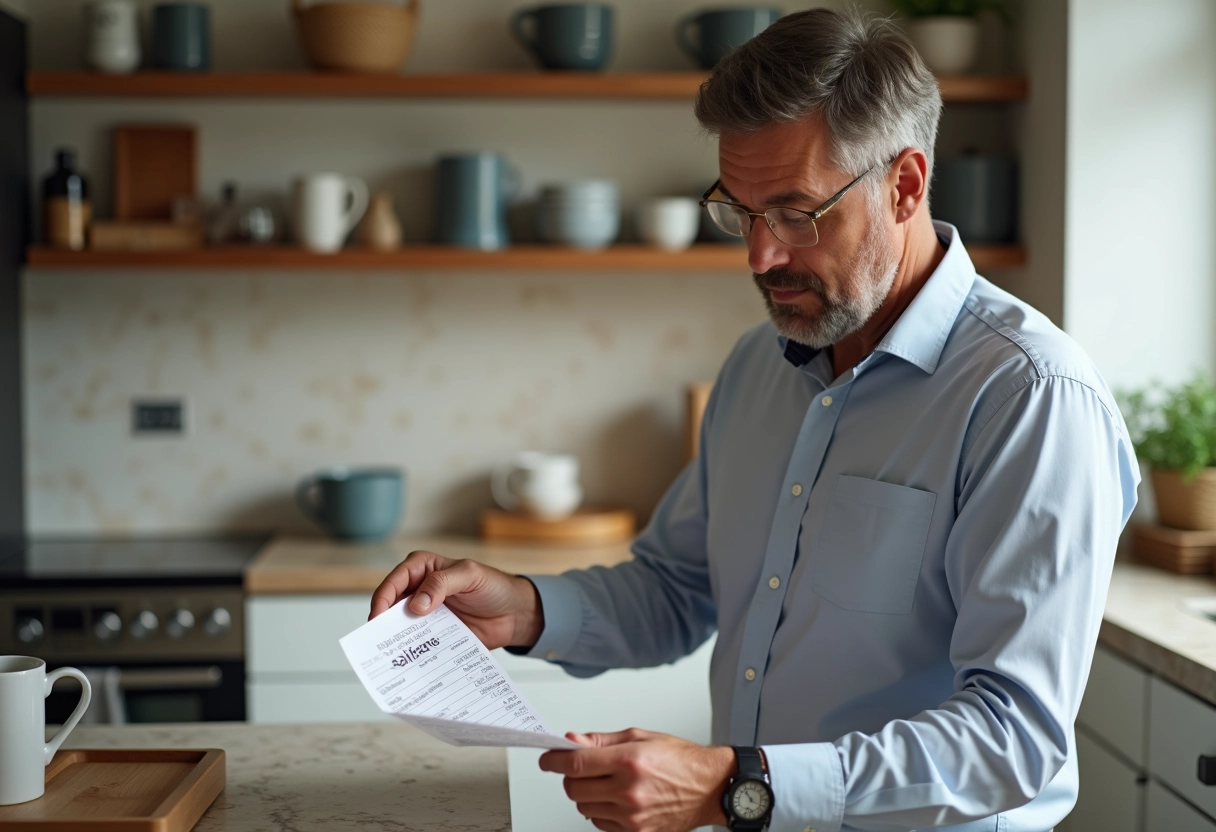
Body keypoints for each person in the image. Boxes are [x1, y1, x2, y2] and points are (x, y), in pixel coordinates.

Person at [369, 8, 1139, 832]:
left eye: (795, 212)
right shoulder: (755, 369)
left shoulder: (1032, 398)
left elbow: (1013, 739)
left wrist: (737, 785)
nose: (759, 256)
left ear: (905, 185)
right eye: (739, 210)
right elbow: (679, 588)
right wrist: (523, 606)